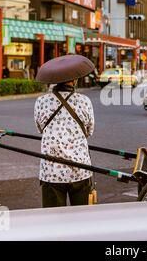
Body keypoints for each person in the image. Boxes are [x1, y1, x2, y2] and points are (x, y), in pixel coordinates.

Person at [34, 55, 95, 208]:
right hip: (80, 168)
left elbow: (40, 128)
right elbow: (89, 130)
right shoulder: (84, 101)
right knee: (81, 217)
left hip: (51, 170)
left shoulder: (41, 101)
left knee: (53, 221)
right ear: (74, 80)